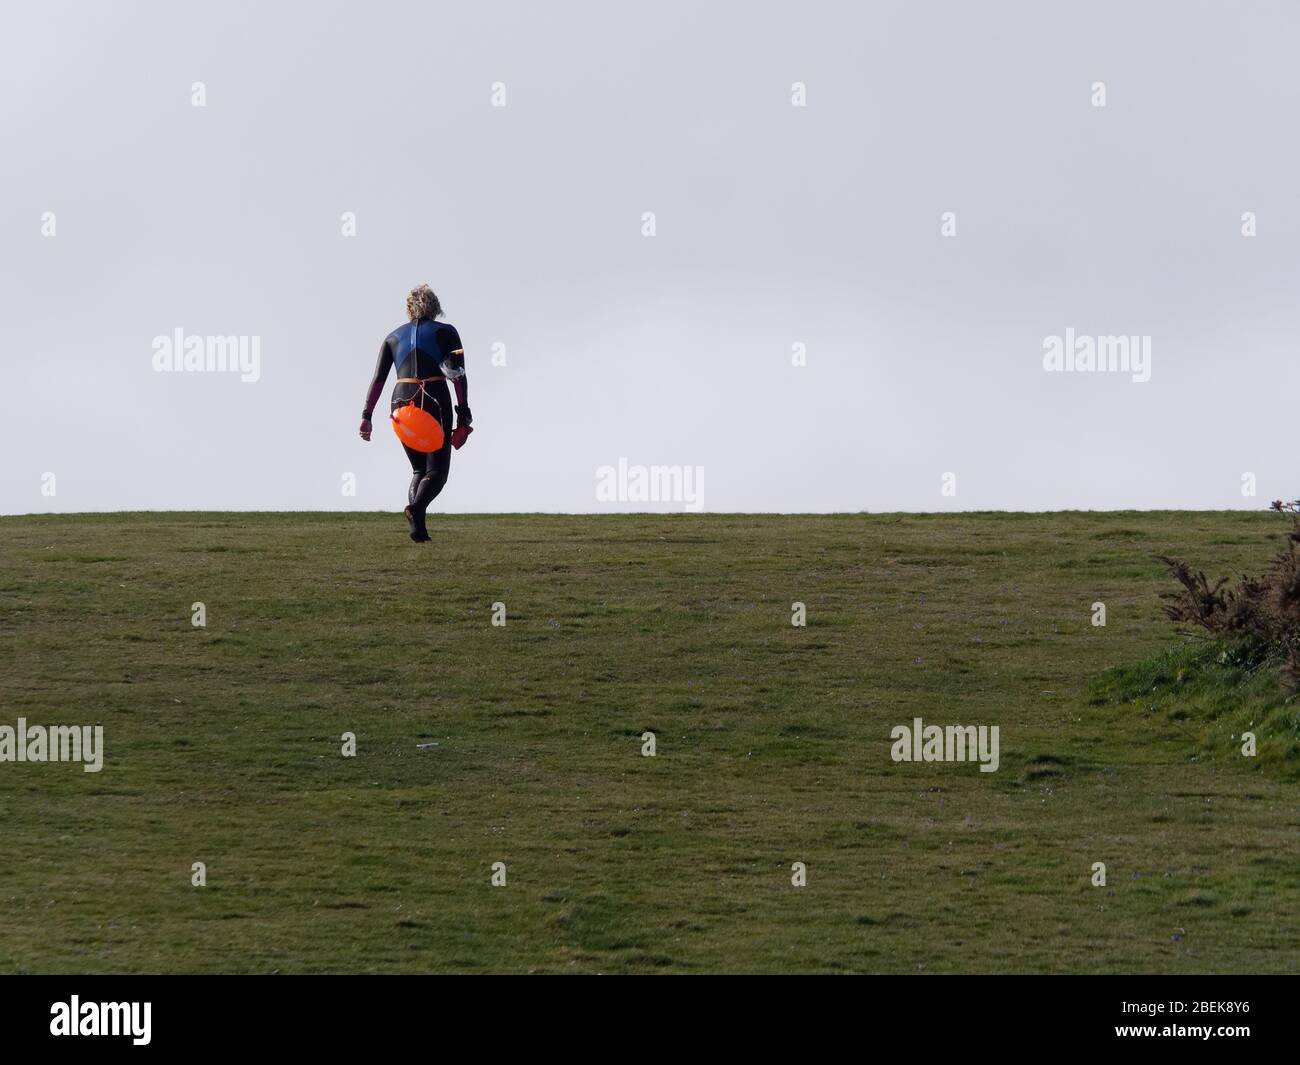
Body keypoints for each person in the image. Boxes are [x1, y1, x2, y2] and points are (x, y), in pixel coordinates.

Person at [359, 285, 473, 541]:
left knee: (419, 470)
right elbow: (457, 375)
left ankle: (418, 530)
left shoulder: (392, 337)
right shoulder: (447, 332)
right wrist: (464, 415)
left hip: (399, 401)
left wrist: (366, 416)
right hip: (432, 398)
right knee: (437, 472)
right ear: (435, 306)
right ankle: (416, 508)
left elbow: (378, 380)